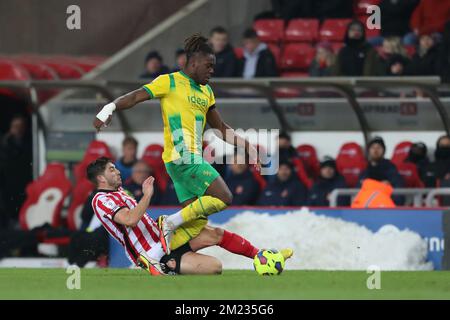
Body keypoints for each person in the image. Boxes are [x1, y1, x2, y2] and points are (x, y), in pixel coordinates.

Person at [92, 34, 293, 260]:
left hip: (188, 160)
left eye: (213, 67)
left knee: (196, 223)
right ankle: (169, 222)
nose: (212, 71)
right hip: (181, 156)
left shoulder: (206, 92)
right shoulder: (168, 81)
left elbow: (222, 128)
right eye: (208, 66)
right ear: (193, 63)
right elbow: (137, 96)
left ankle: (154, 256)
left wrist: (250, 148)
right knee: (224, 197)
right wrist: (110, 107)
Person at [87, 157, 292, 275]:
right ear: (100, 178)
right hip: (147, 250)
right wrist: (147, 196)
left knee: (215, 233)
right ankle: (163, 264)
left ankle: (260, 255)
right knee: (215, 268)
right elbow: (130, 220)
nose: (118, 172)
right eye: (112, 170)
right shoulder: (100, 200)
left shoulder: (120, 192)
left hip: (165, 236)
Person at [0, 114, 32, 228]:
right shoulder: (5, 142)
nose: (18, 129)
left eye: (21, 126)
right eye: (15, 126)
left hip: (24, 183)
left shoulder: (31, 142)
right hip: (8, 184)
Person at [358, 137, 404, 205]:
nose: (375, 150)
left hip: (384, 208)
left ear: (384, 150)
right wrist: (380, 185)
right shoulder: (365, 169)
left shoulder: (390, 168)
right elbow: (358, 190)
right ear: (369, 150)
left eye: (379, 148)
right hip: (366, 207)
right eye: (373, 148)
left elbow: (398, 194)